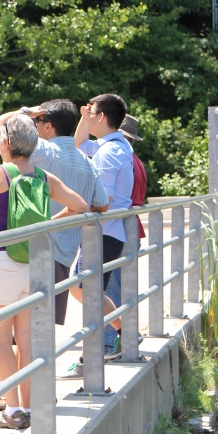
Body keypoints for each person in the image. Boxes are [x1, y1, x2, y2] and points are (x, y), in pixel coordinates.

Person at [0, 114, 88, 430]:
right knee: (27, 342)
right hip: (35, 265)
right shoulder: (42, 175)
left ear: (7, 143)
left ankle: (12, 411)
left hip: (1, 263)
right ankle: (28, 406)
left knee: (0, 342)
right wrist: (48, 224)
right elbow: (80, 205)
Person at [0, 100, 110, 324]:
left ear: (48, 126)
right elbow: (101, 205)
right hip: (64, 257)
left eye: (36, 121)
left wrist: (25, 112)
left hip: (29, 254)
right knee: (40, 335)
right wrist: (58, 218)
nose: (33, 126)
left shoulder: (40, 150)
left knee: (21, 334)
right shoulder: (87, 163)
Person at [74, 94, 133, 360]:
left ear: (102, 117)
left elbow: (104, 202)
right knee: (87, 291)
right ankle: (125, 333)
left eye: (92, 112)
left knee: (87, 292)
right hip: (105, 232)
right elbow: (77, 144)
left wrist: (74, 209)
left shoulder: (109, 152)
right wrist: (84, 118)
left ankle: (91, 359)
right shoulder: (110, 146)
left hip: (103, 231)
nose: (88, 114)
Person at [106, 114, 147, 354]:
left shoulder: (120, 160)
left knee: (110, 290)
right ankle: (125, 339)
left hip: (117, 230)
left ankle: (110, 345)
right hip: (131, 228)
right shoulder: (135, 161)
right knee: (122, 291)